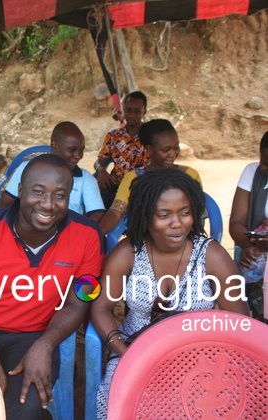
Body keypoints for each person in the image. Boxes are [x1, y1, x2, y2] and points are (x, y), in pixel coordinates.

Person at [0, 154, 104, 419]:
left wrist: (45, 345)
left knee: (25, 409)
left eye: (60, 195)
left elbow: (78, 302)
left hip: (34, 335)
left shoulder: (89, 237)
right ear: (20, 191)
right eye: (38, 192)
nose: (48, 204)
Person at [92, 169, 249, 418]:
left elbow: (240, 323)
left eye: (185, 213)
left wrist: (212, 362)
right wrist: (122, 350)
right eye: (164, 215)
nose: (177, 223)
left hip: (199, 358)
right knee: (117, 403)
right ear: (146, 215)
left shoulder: (211, 255)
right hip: (135, 350)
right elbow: (101, 308)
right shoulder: (128, 252)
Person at [99, 119, 202, 235]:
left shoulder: (190, 175)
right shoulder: (133, 178)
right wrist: (97, 234)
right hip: (144, 240)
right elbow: (116, 211)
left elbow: (196, 216)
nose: (173, 153)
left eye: (176, 147)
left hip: (181, 239)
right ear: (149, 149)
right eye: (166, 149)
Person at [0, 121, 105, 222]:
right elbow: (6, 203)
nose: (78, 156)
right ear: (54, 145)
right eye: (72, 150)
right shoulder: (27, 169)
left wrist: (77, 233)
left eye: (81, 150)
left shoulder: (86, 180)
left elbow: (97, 214)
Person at [229, 130, 268, 322]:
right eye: (264, 164)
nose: (265, 171)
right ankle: (258, 326)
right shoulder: (252, 173)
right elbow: (236, 223)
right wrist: (249, 245)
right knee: (251, 264)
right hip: (257, 249)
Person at [94, 91, 150, 209]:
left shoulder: (151, 136)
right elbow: (100, 160)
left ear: (144, 112)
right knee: (95, 201)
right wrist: (101, 169)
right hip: (114, 186)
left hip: (141, 188)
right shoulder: (114, 135)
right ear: (123, 109)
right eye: (128, 109)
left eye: (137, 111)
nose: (131, 114)